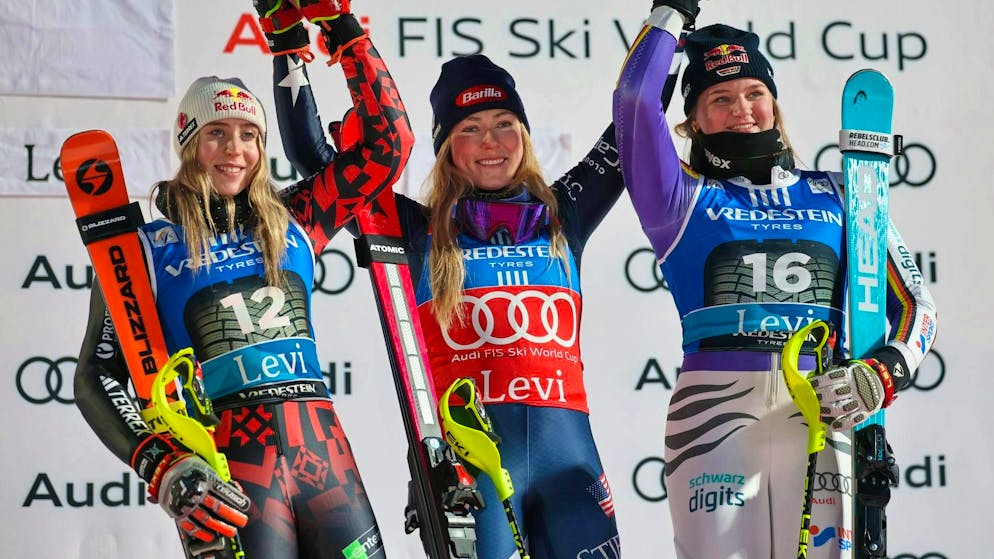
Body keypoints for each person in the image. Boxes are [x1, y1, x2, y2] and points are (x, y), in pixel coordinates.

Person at [268, 35, 628, 558]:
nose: (492, 142)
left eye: (506, 124)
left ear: (524, 136)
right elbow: (315, 159)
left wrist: (672, 26)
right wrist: (290, 49)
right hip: (468, 470)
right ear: (445, 147)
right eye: (471, 130)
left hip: (570, 468)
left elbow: (631, 131)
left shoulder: (562, 214)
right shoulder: (413, 229)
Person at [73, 3, 412, 557]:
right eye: (217, 133)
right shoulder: (145, 249)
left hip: (328, 465)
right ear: (188, 146)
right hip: (228, 475)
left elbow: (386, 148)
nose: (235, 149)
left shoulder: (296, 220)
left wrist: (342, 32)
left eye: (249, 134)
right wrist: (164, 463)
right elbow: (96, 377)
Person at [613, 2, 938, 558]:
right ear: (694, 121)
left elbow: (915, 305)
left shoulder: (844, 191)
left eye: (754, 93)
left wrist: (888, 370)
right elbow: (636, 102)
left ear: (774, 103)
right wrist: (671, 14)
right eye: (720, 98)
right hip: (714, 411)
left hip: (824, 403)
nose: (742, 108)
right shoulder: (679, 199)